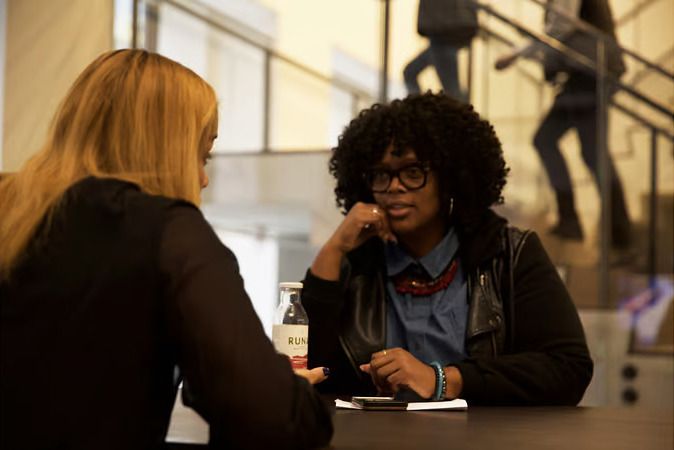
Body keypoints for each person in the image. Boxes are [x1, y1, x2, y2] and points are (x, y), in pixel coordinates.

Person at [0, 49, 332, 449]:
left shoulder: (9, 208)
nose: (203, 179)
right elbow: (274, 419)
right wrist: (282, 386)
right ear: (166, 148)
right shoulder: (171, 233)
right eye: (201, 156)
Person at [302, 93, 593, 405]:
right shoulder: (356, 265)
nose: (395, 186)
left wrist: (443, 379)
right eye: (381, 174)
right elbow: (314, 376)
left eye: (413, 172)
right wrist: (334, 249)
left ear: (450, 179)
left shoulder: (509, 254)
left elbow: (568, 369)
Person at [494, 0, 631, 247]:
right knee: (584, 151)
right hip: (587, 74)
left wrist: (516, 53)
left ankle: (603, 229)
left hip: (587, 75)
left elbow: (560, 30)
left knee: (575, 149)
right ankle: (609, 231)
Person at [403, 0, 478, 101]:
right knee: (410, 72)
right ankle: (418, 107)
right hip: (440, 38)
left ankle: (462, 112)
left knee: (453, 91)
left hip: (442, 38)